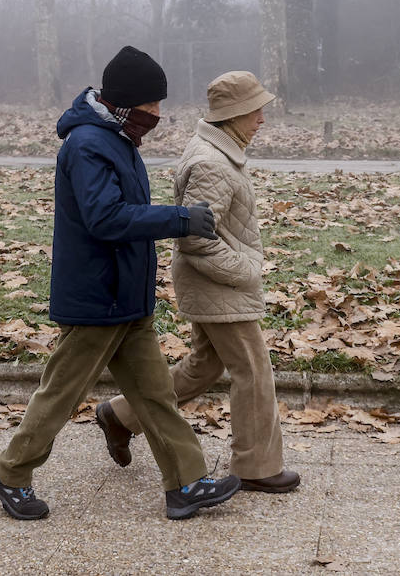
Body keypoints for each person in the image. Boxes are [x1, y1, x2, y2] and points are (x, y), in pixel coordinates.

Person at [0, 46, 241, 521]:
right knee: (60, 394)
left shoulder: (117, 139)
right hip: (96, 299)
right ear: (125, 102)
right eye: (152, 105)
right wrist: (180, 218)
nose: (157, 115)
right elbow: (105, 219)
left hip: (127, 298)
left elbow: (125, 216)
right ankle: (9, 475)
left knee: (156, 396)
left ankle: (186, 482)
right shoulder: (87, 144)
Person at [95, 70, 301, 493]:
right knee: (253, 369)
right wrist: (248, 271)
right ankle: (255, 465)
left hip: (213, 282)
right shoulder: (211, 162)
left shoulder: (217, 151)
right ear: (233, 115)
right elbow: (196, 241)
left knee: (205, 364)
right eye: (255, 110)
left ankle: (121, 415)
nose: (262, 118)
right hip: (218, 283)